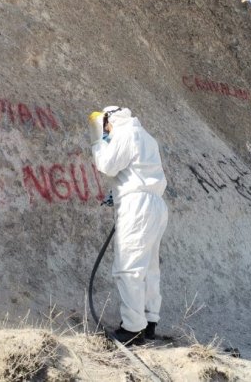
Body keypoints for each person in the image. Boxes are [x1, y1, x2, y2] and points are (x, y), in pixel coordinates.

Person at [88, 106, 169, 346]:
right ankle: (149, 321)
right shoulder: (146, 137)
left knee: (128, 268)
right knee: (149, 268)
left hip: (137, 204)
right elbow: (134, 170)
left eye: (105, 128)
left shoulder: (125, 133)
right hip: (155, 203)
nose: (105, 132)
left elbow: (106, 165)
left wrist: (96, 142)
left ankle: (132, 330)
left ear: (110, 121)